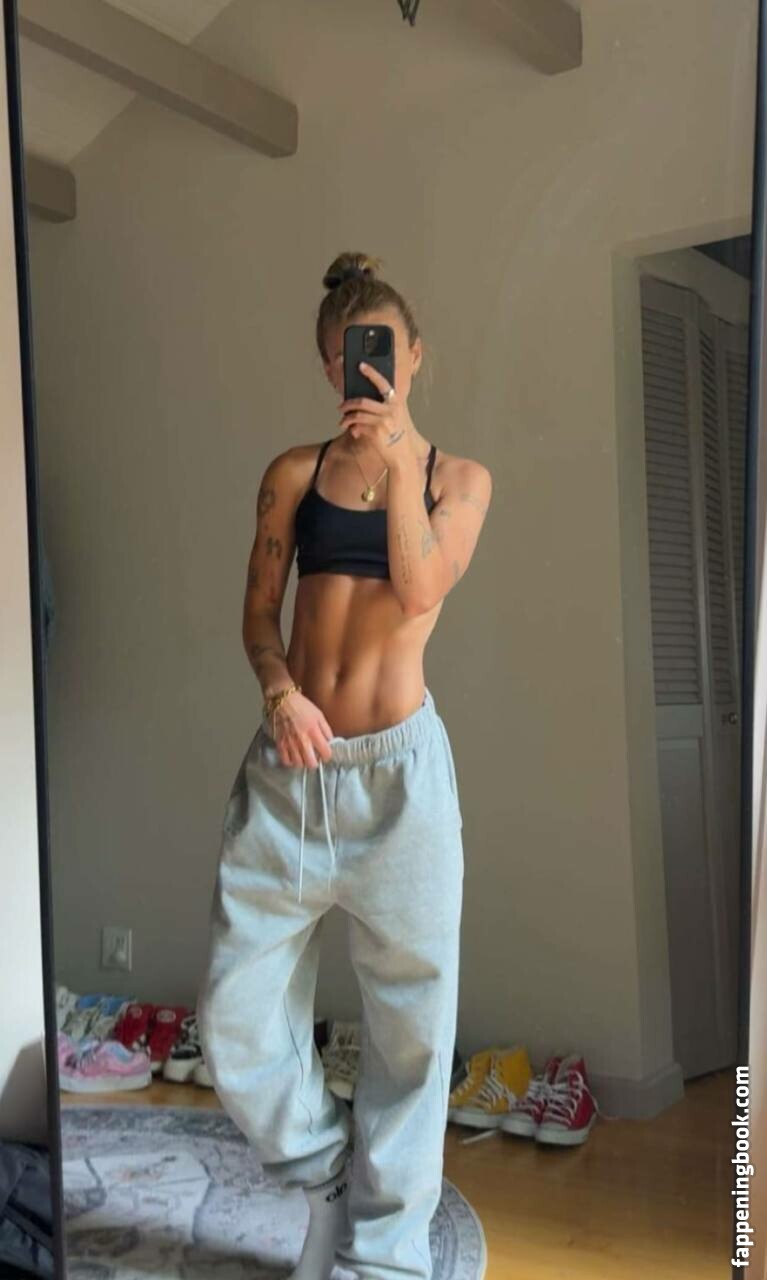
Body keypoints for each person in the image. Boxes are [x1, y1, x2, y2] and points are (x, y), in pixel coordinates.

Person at [196, 252, 492, 1280]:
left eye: (376, 353)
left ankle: (383, 1259)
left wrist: (398, 457)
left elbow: (417, 589)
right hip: (290, 773)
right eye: (339, 358)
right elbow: (256, 616)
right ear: (325, 365)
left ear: (413, 356)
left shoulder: (456, 480)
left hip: (401, 784)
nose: (357, 373)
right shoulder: (291, 474)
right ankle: (326, 1179)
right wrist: (279, 692)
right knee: (233, 1011)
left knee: (412, 1034)